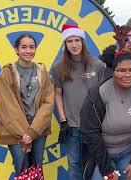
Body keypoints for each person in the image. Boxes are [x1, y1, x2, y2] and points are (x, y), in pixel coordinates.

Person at [81, 25, 131, 180]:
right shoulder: (97, 94)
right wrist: (106, 168)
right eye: (121, 70)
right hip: (101, 155)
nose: (127, 75)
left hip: (127, 154)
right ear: (113, 70)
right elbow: (90, 133)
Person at [0, 34, 54, 176]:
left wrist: (33, 132)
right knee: (22, 170)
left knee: (37, 170)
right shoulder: (6, 73)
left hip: (38, 129)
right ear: (16, 50)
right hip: (15, 132)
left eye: (31, 47)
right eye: (24, 47)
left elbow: (48, 102)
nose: (28, 51)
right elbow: (6, 106)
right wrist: (24, 135)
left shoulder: (42, 72)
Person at [51, 24, 105, 180]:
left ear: (83, 42)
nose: (74, 45)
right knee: (74, 163)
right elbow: (58, 94)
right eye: (69, 41)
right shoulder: (58, 68)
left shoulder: (98, 65)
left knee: (92, 164)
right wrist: (63, 120)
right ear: (65, 44)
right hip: (71, 126)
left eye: (77, 40)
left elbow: (104, 95)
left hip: (93, 126)